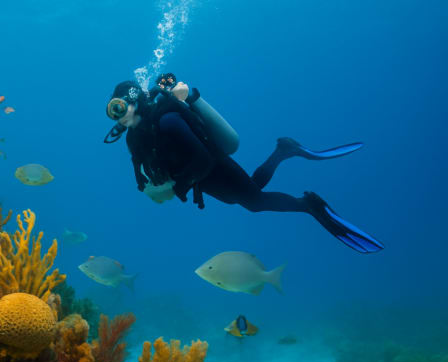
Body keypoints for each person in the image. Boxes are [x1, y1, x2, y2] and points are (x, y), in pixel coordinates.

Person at [104, 76, 383, 253]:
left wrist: (181, 184)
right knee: (249, 193)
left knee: (254, 201)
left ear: (135, 101)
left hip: (213, 165)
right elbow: (140, 168)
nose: (117, 117)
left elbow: (202, 158)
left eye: (119, 108)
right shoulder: (133, 139)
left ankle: (309, 205)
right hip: (199, 178)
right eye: (113, 112)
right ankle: (284, 150)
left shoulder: (168, 120)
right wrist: (150, 185)